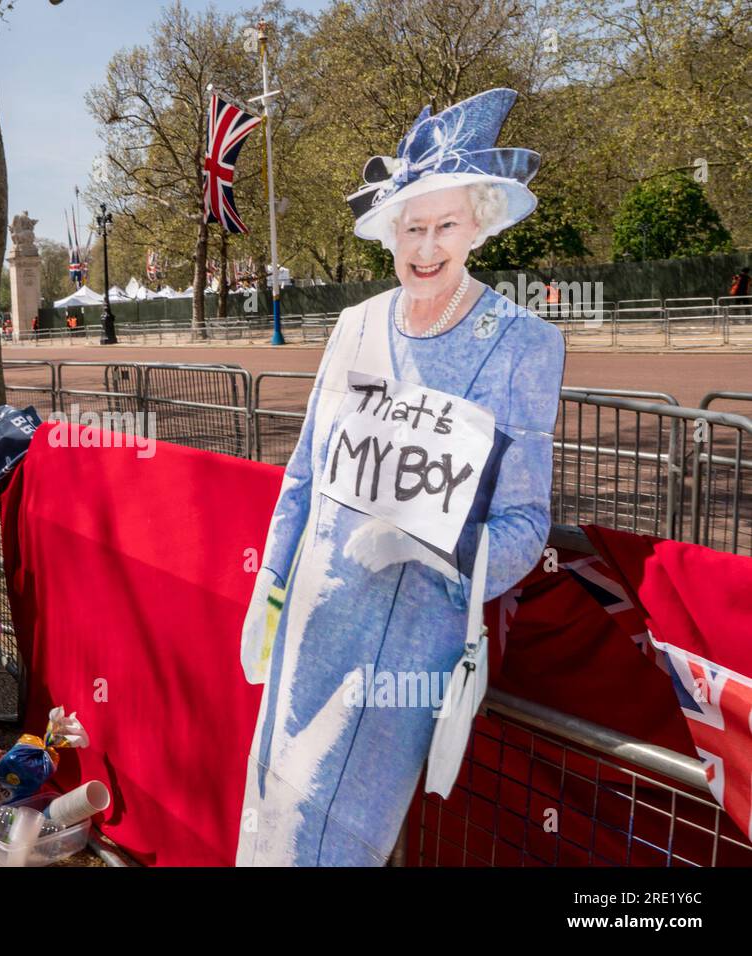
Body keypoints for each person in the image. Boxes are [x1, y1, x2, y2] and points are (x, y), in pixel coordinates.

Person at [236, 88, 565, 867]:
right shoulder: (353, 324)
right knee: (269, 816)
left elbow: (525, 523)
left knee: (334, 840)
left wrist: (432, 548)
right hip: (308, 631)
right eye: (412, 227)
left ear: (479, 223)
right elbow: (306, 472)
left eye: (446, 225)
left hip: (404, 659)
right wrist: (271, 580)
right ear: (389, 230)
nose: (426, 246)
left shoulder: (522, 343)